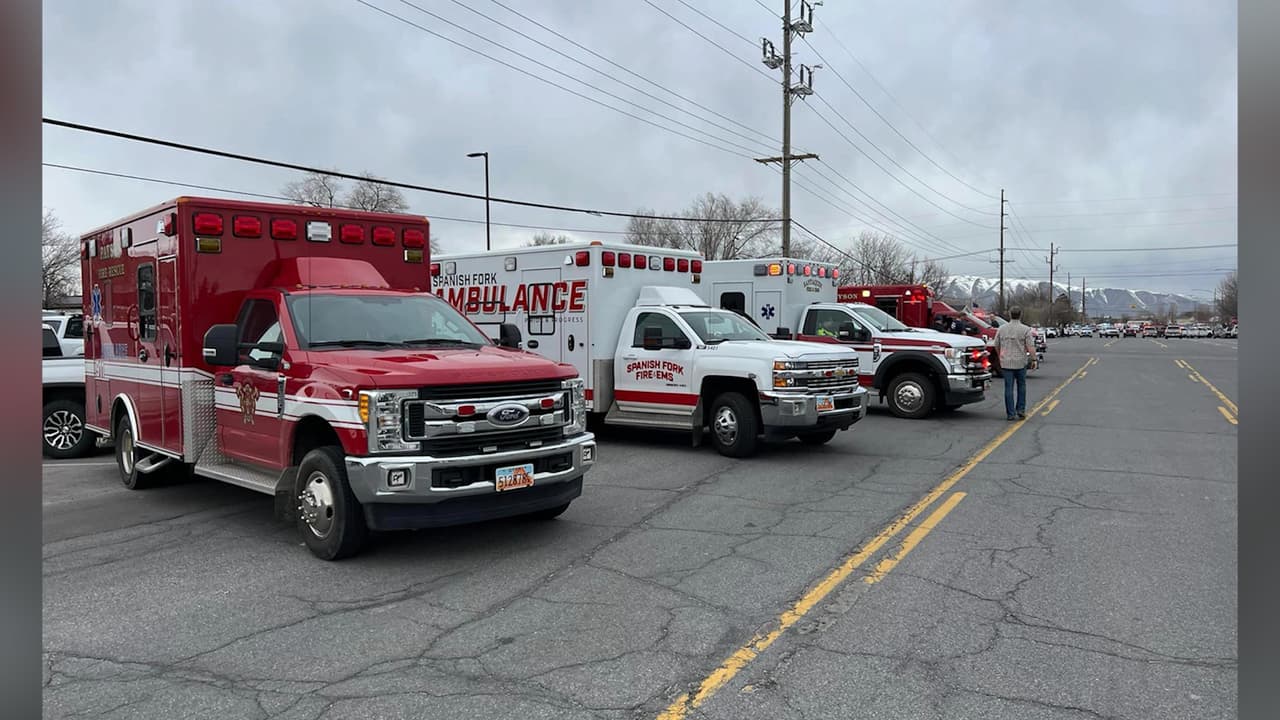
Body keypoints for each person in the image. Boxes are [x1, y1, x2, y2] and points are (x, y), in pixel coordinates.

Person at [993, 305, 1037, 421]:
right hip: (1020, 362)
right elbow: (1030, 346)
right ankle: (1020, 410)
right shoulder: (1025, 329)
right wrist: (1034, 359)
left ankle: (1010, 413)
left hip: (1006, 362)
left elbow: (996, 344)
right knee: (1021, 386)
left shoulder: (1002, 329)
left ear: (1010, 314)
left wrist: (1000, 355)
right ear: (1020, 315)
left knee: (1008, 388)